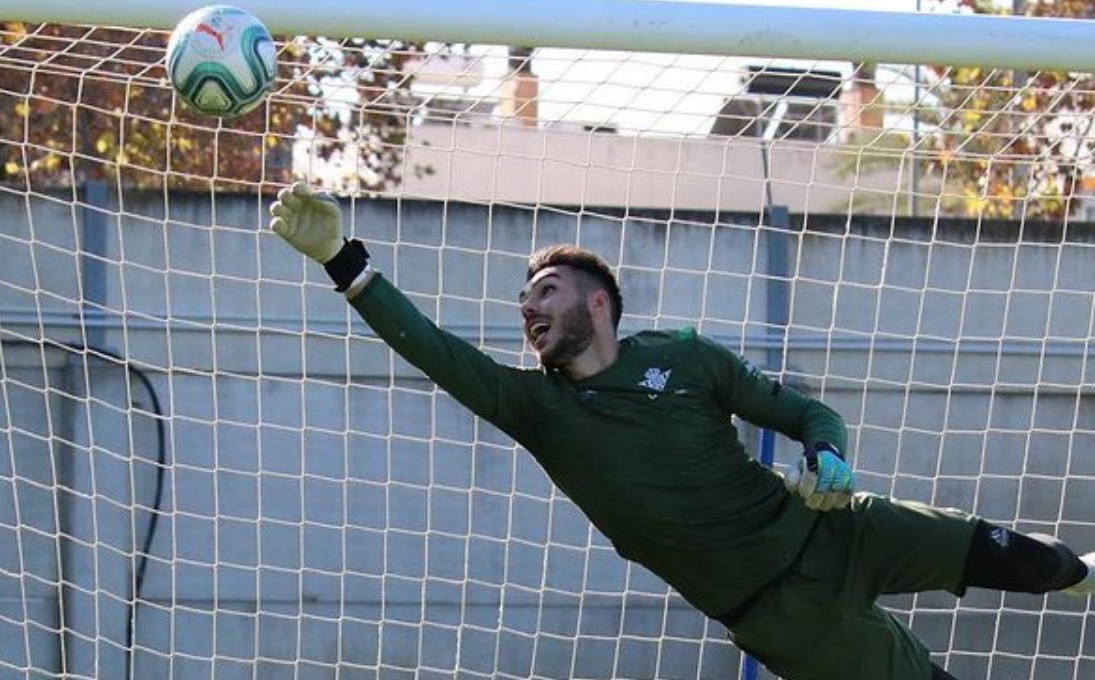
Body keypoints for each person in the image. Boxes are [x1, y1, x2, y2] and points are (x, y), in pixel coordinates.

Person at [268, 183, 1095, 680]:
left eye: (546, 291)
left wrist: (830, 456)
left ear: (597, 303)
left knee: (1036, 561)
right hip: (782, 613)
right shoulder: (535, 408)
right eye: (526, 300)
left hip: (839, 529)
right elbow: (435, 349)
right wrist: (343, 258)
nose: (528, 308)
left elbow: (805, 412)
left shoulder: (689, 359)